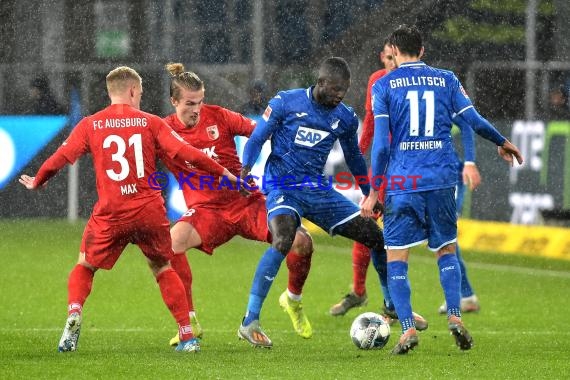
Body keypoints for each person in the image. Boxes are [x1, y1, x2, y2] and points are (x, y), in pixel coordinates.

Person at [19, 66, 242, 354]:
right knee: (162, 266)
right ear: (133, 91)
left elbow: (61, 157)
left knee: (86, 264)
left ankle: (74, 312)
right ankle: (187, 336)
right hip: (148, 210)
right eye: (141, 93)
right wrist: (223, 171)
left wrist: (39, 180)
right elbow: (189, 154)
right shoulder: (151, 123)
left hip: (111, 212)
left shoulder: (91, 124)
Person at [362, 25, 523, 354]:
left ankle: (407, 329)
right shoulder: (446, 79)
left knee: (397, 256)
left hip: (403, 181)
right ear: (422, 51)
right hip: (441, 178)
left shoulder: (384, 85)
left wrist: (375, 190)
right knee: (446, 249)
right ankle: (455, 317)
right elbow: (473, 119)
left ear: (393, 51)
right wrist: (502, 141)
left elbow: (379, 147)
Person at [237, 56, 413, 348]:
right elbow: (257, 138)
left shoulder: (343, 117)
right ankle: (250, 321)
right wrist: (245, 169)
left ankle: (391, 305)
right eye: (334, 91)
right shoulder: (285, 102)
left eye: (343, 91)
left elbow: (355, 157)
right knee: (283, 239)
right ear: (320, 83)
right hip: (283, 186)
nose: (339, 96)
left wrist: (371, 193)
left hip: (318, 190)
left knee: (375, 236)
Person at [159, 63, 314, 347]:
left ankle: (293, 299)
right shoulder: (163, 131)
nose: (197, 109)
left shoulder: (219, 117)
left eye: (201, 101)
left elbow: (260, 131)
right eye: (190, 104)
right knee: (171, 244)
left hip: (245, 202)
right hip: (208, 212)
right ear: (174, 102)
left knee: (301, 242)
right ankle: (189, 322)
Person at [330, 38, 396, 317]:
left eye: (398, 57)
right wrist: (357, 155)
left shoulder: (414, 83)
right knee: (366, 227)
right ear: (382, 57)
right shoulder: (377, 81)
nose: (394, 63)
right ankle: (360, 291)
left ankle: (396, 305)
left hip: (410, 167)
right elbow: (369, 123)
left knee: (400, 236)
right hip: (383, 170)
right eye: (390, 58)